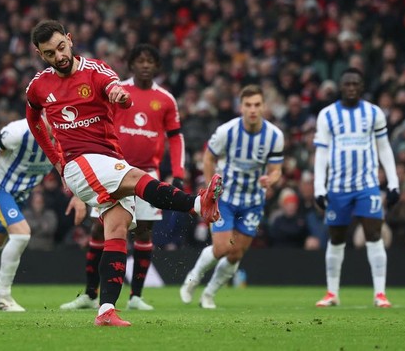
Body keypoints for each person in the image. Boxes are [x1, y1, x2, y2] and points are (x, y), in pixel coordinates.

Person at [25, 20, 222, 327]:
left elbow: (115, 89)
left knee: (117, 230)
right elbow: (34, 118)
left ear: (70, 39)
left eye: (61, 47)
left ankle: (105, 310)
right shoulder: (39, 85)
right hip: (79, 163)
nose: (58, 56)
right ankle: (198, 205)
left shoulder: (97, 71)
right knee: (133, 178)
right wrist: (57, 161)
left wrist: (121, 96)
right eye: (49, 53)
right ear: (39, 53)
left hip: (106, 159)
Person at [60, 44, 186, 311]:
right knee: (100, 229)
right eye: (139, 60)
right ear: (131, 64)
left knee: (143, 231)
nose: (145, 65)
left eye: (150, 61)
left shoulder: (165, 99)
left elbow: (175, 137)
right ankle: (90, 294)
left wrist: (178, 173)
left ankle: (136, 297)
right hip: (111, 167)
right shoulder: (116, 90)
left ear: (157, 66)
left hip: (147, 172)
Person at [0, 118, 87, 311]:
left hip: (21, 193)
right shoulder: (20, 132)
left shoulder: (64, 138)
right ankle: (3, 297)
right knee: (21, 233)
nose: (58, 123)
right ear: (43, 115)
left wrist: (78, 195)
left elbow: (69, 167)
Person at [180, 84, 284, 309]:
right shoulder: (227, 131)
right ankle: (193, 278)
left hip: (253, 202)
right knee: (222, 248)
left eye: (257, 105)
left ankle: (208, 294)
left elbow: (276, 169)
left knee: (236, 254)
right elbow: (208, 158)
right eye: (248, 105)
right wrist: (210, 191)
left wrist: (271, 179)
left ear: (263, 106)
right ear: (241, 107)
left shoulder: (275, 136)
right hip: (225, 199)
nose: (253, 110)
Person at [312, 68, 400, 308]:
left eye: (355, 84)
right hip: (338, 187)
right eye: (347, 84)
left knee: (374, 235)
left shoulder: (374, 113)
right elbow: (321, 153)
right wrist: (318, 187)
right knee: (337, 238)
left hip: (367, 186)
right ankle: (332, 293)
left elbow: (384, 148)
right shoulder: (327, 115)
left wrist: (393, 183)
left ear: (361, 87)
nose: (351, 87)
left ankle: (380, 294)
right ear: (341, 87)